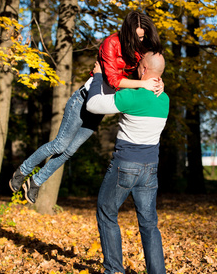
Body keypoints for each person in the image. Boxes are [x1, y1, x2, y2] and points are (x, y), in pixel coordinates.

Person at [9, 11, 164, 203]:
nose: (140, 40)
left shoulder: (139, 49)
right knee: (60, 144)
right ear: (127, 31)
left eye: (143, 36)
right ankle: (22, 170)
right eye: (137, 36)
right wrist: (142, 84)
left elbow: (149, 67)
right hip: (83, 100)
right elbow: (114, 80)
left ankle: (35, 181)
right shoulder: (111, 43)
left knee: (70, 151)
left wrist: (157, 81)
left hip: (100, 105)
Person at [86, 52, 169, 274]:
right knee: (149, 223)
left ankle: (114, 271)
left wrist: (98, 76)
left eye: (138, 67)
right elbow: (154, 83)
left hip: (126, 165)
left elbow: (93, 105)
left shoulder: (131, 97)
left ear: (142, 70)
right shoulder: (165, 100)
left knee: (106, 210)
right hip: (150, 168)